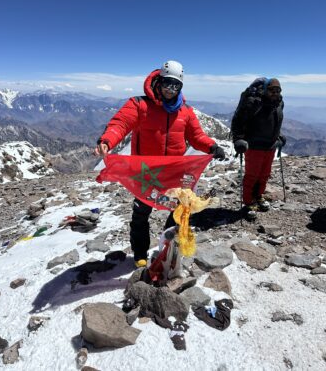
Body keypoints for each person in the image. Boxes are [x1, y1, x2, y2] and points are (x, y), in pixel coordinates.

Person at [95, 60, 225, 266]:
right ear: (158, 81)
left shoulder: (185, 111)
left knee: (177, 211)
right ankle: (140, 255)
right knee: (141, 212)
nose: (170, 90)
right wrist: (107, 140)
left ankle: (167, 248)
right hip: (145, 172)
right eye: (167, 84)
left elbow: (197, 136)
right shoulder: (139, 104)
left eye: (176, 86)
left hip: (174, 173)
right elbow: (120, 123)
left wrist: (211, 146)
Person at [231, 77, 286, 221]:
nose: (274, 93)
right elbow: (238, 122)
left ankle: (258, 197)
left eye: (277, 90)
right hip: (254, 146)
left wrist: (278, 135)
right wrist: (238, 139)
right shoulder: (253, 102)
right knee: (252, 175)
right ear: (265, 89)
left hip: (270, 146)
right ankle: (248, 203)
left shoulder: (279, 103)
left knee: (264, 174)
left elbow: (273, 121)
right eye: (271, 90)